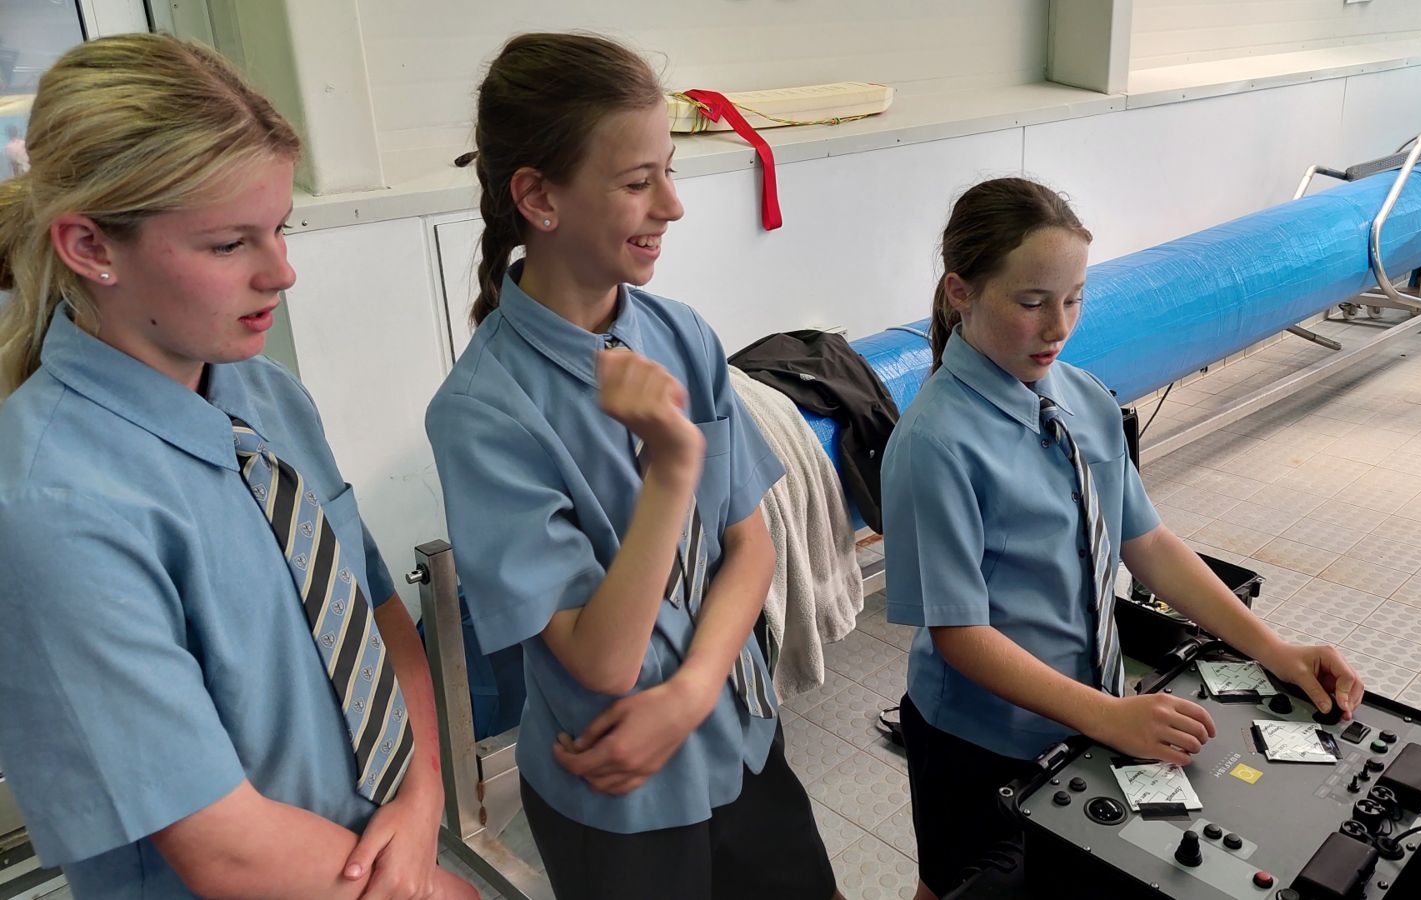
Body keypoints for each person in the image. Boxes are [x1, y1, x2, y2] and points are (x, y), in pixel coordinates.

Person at [0, 34, 474, 900]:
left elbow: (373, 614)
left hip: (379, 858)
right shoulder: (53, 503)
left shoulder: (268, 396)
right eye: (228, 246)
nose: (282, 272)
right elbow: (223, 847)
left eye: (280, 229)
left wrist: (420, 794)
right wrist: (428, 891)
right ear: (90, 246)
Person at [425, 33, 837, 900]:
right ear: (538, 197)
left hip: (736, 731)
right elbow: (601, 659)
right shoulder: (483, 412)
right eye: (636, 181)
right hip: (621, 797)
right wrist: (672, 470)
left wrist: (691, 694)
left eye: (671, 171)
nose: (673, 207)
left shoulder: (680, 332)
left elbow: (749, 546)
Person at [883, 177, 1366, 899]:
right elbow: (960, 633)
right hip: (980, 738)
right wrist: (1109, 716)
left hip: (1087, 711)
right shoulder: (935, 442)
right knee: (955, 884)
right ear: (961, 292)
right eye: (1032, 302)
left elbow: (1148, 542)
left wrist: (1271, 647)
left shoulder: (1082, 398)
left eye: (1074, 297)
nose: (1058, 325)